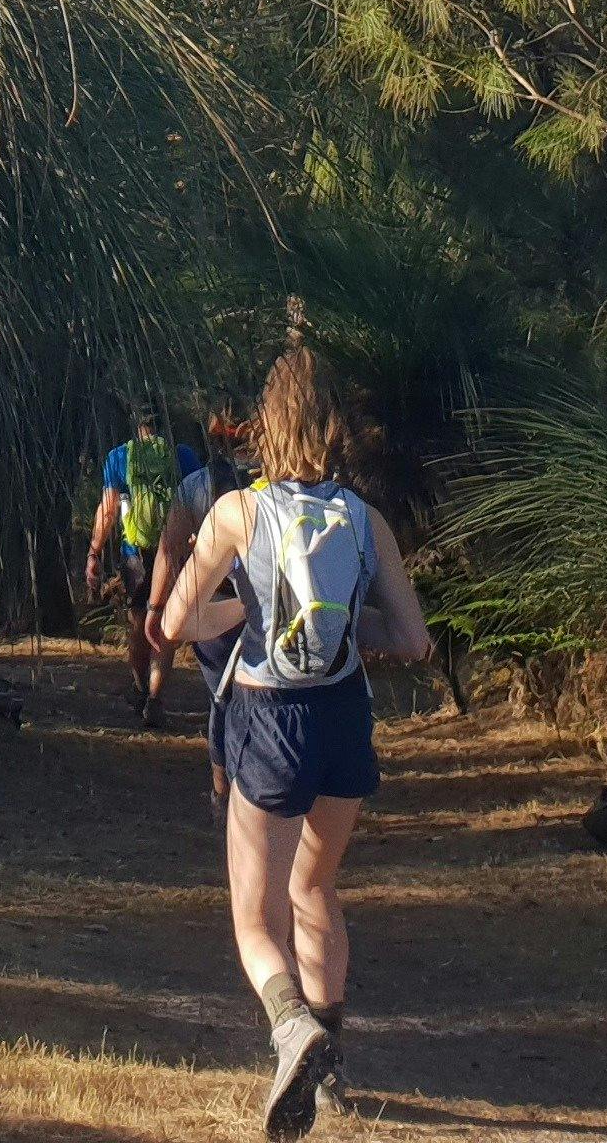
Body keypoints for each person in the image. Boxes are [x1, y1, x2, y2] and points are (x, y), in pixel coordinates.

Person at [160, 346, 429, 1136]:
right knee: (315, 887)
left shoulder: (237, 513)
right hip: (343, 717)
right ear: (336, 427)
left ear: (264, 426)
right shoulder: (365, 519)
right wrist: (337, 621)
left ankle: (292, 1029)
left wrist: (250, 610)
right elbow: (413, 640)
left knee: (255, 921)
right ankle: (332, 1071)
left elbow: (175, 621)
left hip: (269, 718)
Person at [150, 407, 256, 801]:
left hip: (213, 609)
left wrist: (155, 608)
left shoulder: (196, 485)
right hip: (271, 608)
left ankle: (221, 790)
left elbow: (168, 548)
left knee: (221, 698)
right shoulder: (277, 484)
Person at [82, 399, 185, 722]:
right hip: (173, 549)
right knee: (165, 623)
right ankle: (155, 696)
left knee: (139, 622)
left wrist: (94, 552)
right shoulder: (181, 456)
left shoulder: (119, 457)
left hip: (135, 555)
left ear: (136, 424)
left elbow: (108, 510)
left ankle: (140, 689)